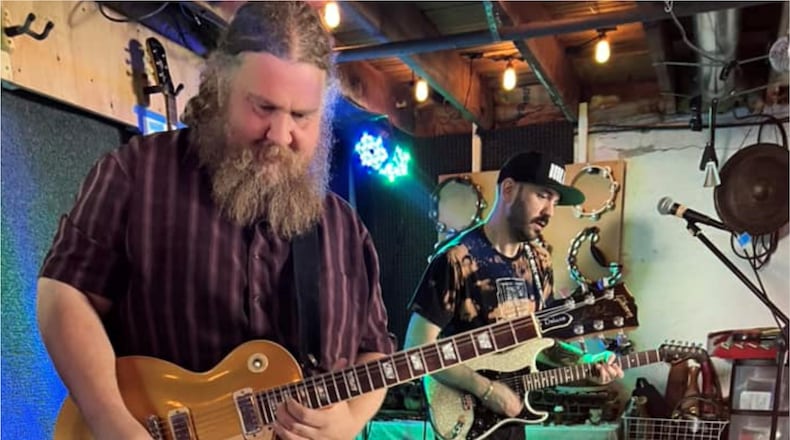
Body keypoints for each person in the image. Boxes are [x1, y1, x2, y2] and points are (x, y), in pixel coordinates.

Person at [36, 2, 395, 439]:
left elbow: (374, 351)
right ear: (222, 86)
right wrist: (111, 421)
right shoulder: (138, 174)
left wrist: (351, 419)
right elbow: (64, 293)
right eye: (263, 107)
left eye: (302, 116)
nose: (280, 136)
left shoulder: (346, 231)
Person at [405, 151, 624, 440]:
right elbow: (417, 350)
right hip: (465, 420)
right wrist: (487, 390)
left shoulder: (539, 262)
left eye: (555, 202)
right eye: (543, 196)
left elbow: (542, 343)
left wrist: (583, 364)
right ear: (508, 190)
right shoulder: (457, 259)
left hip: (512, 425)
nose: (549, 212)